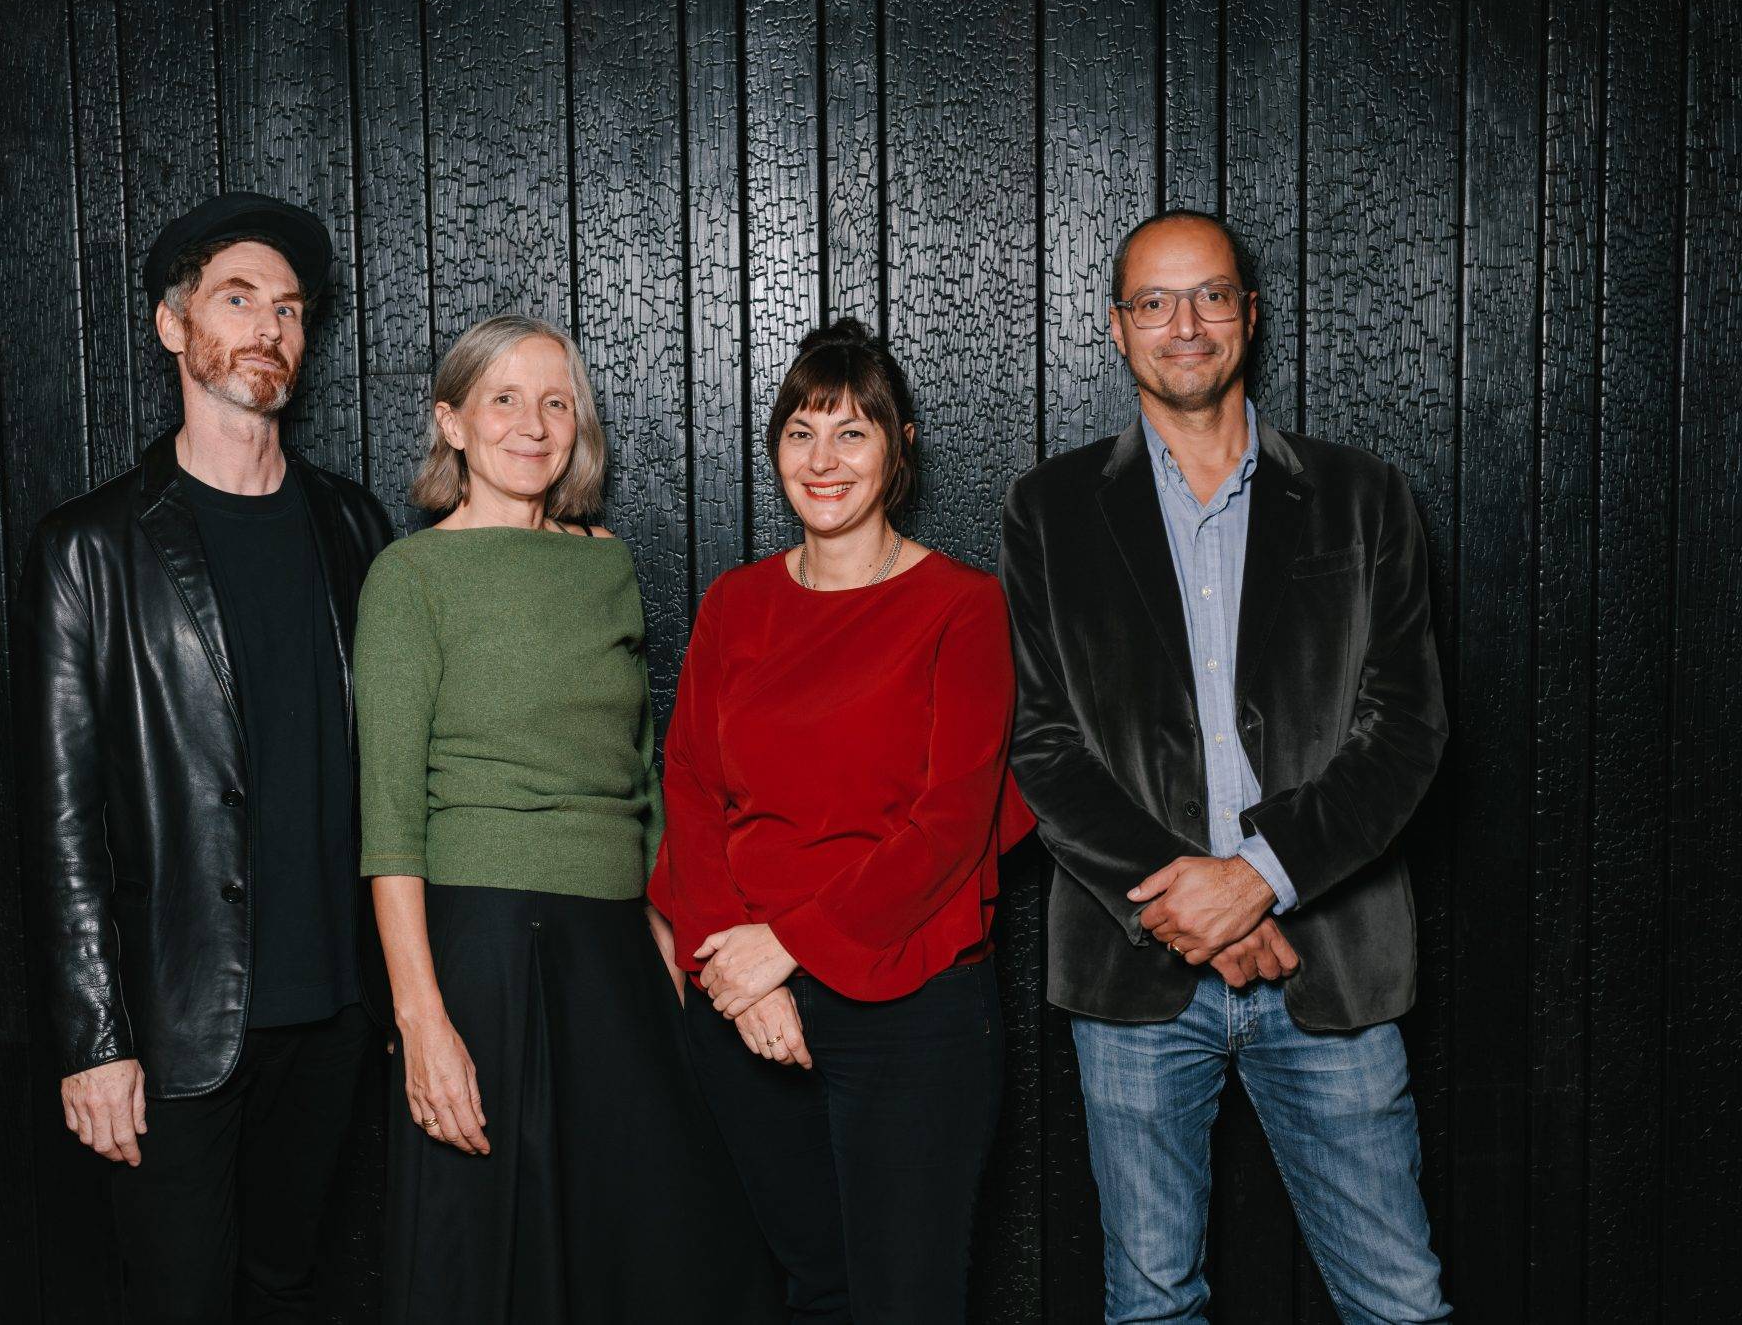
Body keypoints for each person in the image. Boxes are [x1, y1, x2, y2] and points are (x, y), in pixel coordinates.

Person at [1000, 208, 1452, 1323]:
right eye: (1153, 302)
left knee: (1397, 1302)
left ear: (1247, 316)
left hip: (1328, 958)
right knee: (1150, 1307)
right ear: (1116, 330)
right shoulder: (1048, 510)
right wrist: (1186, 900)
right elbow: (1042, 743)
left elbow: (1405, 729)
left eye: (1207, 296)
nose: (1183, 324)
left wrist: (1258, 875)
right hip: (1134, 972)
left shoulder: (1363, 496)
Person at [13, 192, 394, 1321]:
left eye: (289, 308)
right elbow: (60, 815)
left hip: (332, 1007)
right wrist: (93, 1040)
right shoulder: (90, 548)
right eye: (238, 299)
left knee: (292, 1288)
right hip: (176, 1021)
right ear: (173, 326)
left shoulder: (353, 526)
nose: (269, 327)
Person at [353, 314, 777, 1323]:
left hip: (614, 948)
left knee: (645, 1250)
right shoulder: (409, 579)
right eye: (503, 398)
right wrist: (421, 1022)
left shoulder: (604, 566)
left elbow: (637, 779)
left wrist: (669, 957)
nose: (533, 425)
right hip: (481, 945)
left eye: (555, 402)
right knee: (491, 1256)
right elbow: (390, 815)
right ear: (451, 423)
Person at [648, 318, 1034, 1323]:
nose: (822, 461)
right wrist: (731, 977)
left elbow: (950, 822)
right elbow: (687, 786)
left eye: (852, 433)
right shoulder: (733, 606)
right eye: (800, 432)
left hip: (908, 1010)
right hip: (741, 1002)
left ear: (898, 447)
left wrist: (789, 947)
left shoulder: (961, 607)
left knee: (904, 1302)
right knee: (811, 1290)